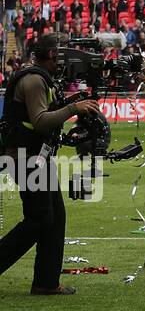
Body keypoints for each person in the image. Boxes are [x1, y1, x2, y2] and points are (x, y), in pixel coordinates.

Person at [0, 34, 103, 295]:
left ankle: (46, 282)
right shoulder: (33, 80)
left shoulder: (41, 79)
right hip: (25, 158)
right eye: (60, 56)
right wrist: (73, 108)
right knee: (40, 218)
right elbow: (40, 120)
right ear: (51, 56)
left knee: (54, 218)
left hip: (36, 157)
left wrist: (74, 103)